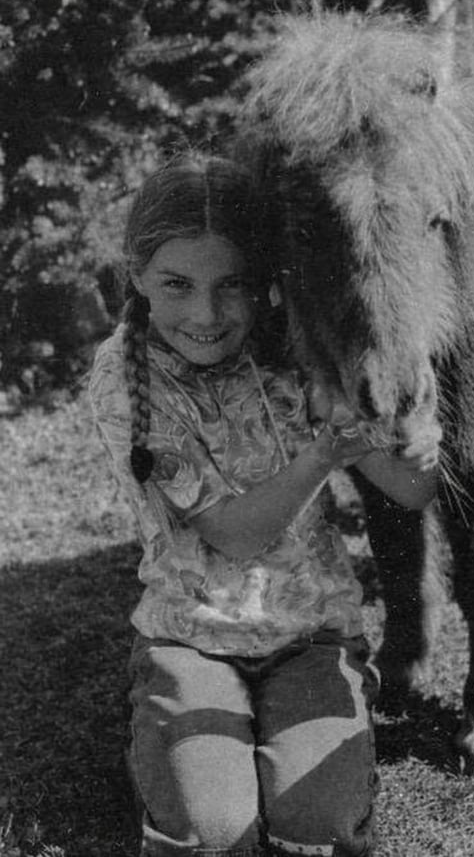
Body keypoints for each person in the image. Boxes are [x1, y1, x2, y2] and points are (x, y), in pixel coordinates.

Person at [88, 153, 439, 857]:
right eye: (177, 285)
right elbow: (236, 536)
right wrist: (322, 456)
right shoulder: (126, 383)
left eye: (233, 285)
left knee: (315, 830)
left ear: (265, 282)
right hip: (189, 638)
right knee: (213, 837)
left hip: (309, 635)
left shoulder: (296, 349)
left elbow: (409, 490)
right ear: (136, 274)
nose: (207, 314)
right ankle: (169, 747)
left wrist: (416, 439)